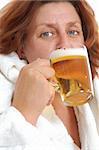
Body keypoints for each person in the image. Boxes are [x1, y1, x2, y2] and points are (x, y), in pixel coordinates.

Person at [0, 0, 99, 150]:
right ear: (21, 47)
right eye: (47, 34)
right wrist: (24, 114)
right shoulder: (4, 92)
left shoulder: (94, 88)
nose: (64, 44)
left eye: (73, 32)